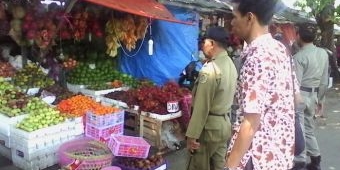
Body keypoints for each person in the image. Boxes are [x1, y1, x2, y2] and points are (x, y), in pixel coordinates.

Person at [225, 0, 296, 169]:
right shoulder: (279, 49)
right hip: (279, 154)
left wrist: (230, 166)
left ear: (249, 18)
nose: (232, 23)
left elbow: (250, 122)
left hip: (257, 157)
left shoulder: (257, 58)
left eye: (234, 17)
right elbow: (296, 97)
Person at [185, 26, 238, 170]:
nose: (202, 46)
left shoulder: (210, 70)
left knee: (198, 165)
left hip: (208, 129)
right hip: (223, 125)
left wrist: (192, 135)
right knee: (219, 165)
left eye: (204, 42)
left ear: (212, 43)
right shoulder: (230, 65)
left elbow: (201, 107)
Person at [292, 24, 329, 170]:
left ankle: (300, 161)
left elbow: (296, 83)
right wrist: (321, 100)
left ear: (298, 36)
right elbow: (324, 80)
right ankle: (315, 159)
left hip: (300, 95)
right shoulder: (323, 53)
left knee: (299, 130)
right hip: (314, 95)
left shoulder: (298, 57)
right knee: (308, 128)